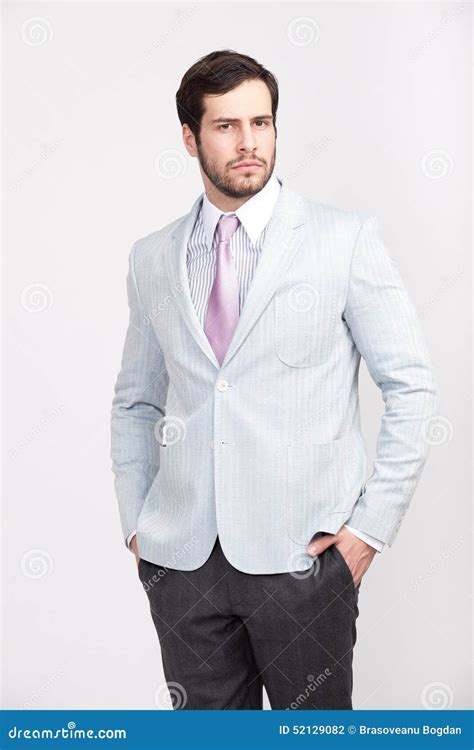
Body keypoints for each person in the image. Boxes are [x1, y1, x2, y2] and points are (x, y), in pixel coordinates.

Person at [110, 49, 439, 710]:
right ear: (190, 137)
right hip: (184, 566)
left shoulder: (342, 241)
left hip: (304, 564)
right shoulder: (153, 257)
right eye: (227, 126)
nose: (248, 142)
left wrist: (366, 535)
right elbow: (136, 400)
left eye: (261, 123)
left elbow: (411, 386)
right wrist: (139, 525)